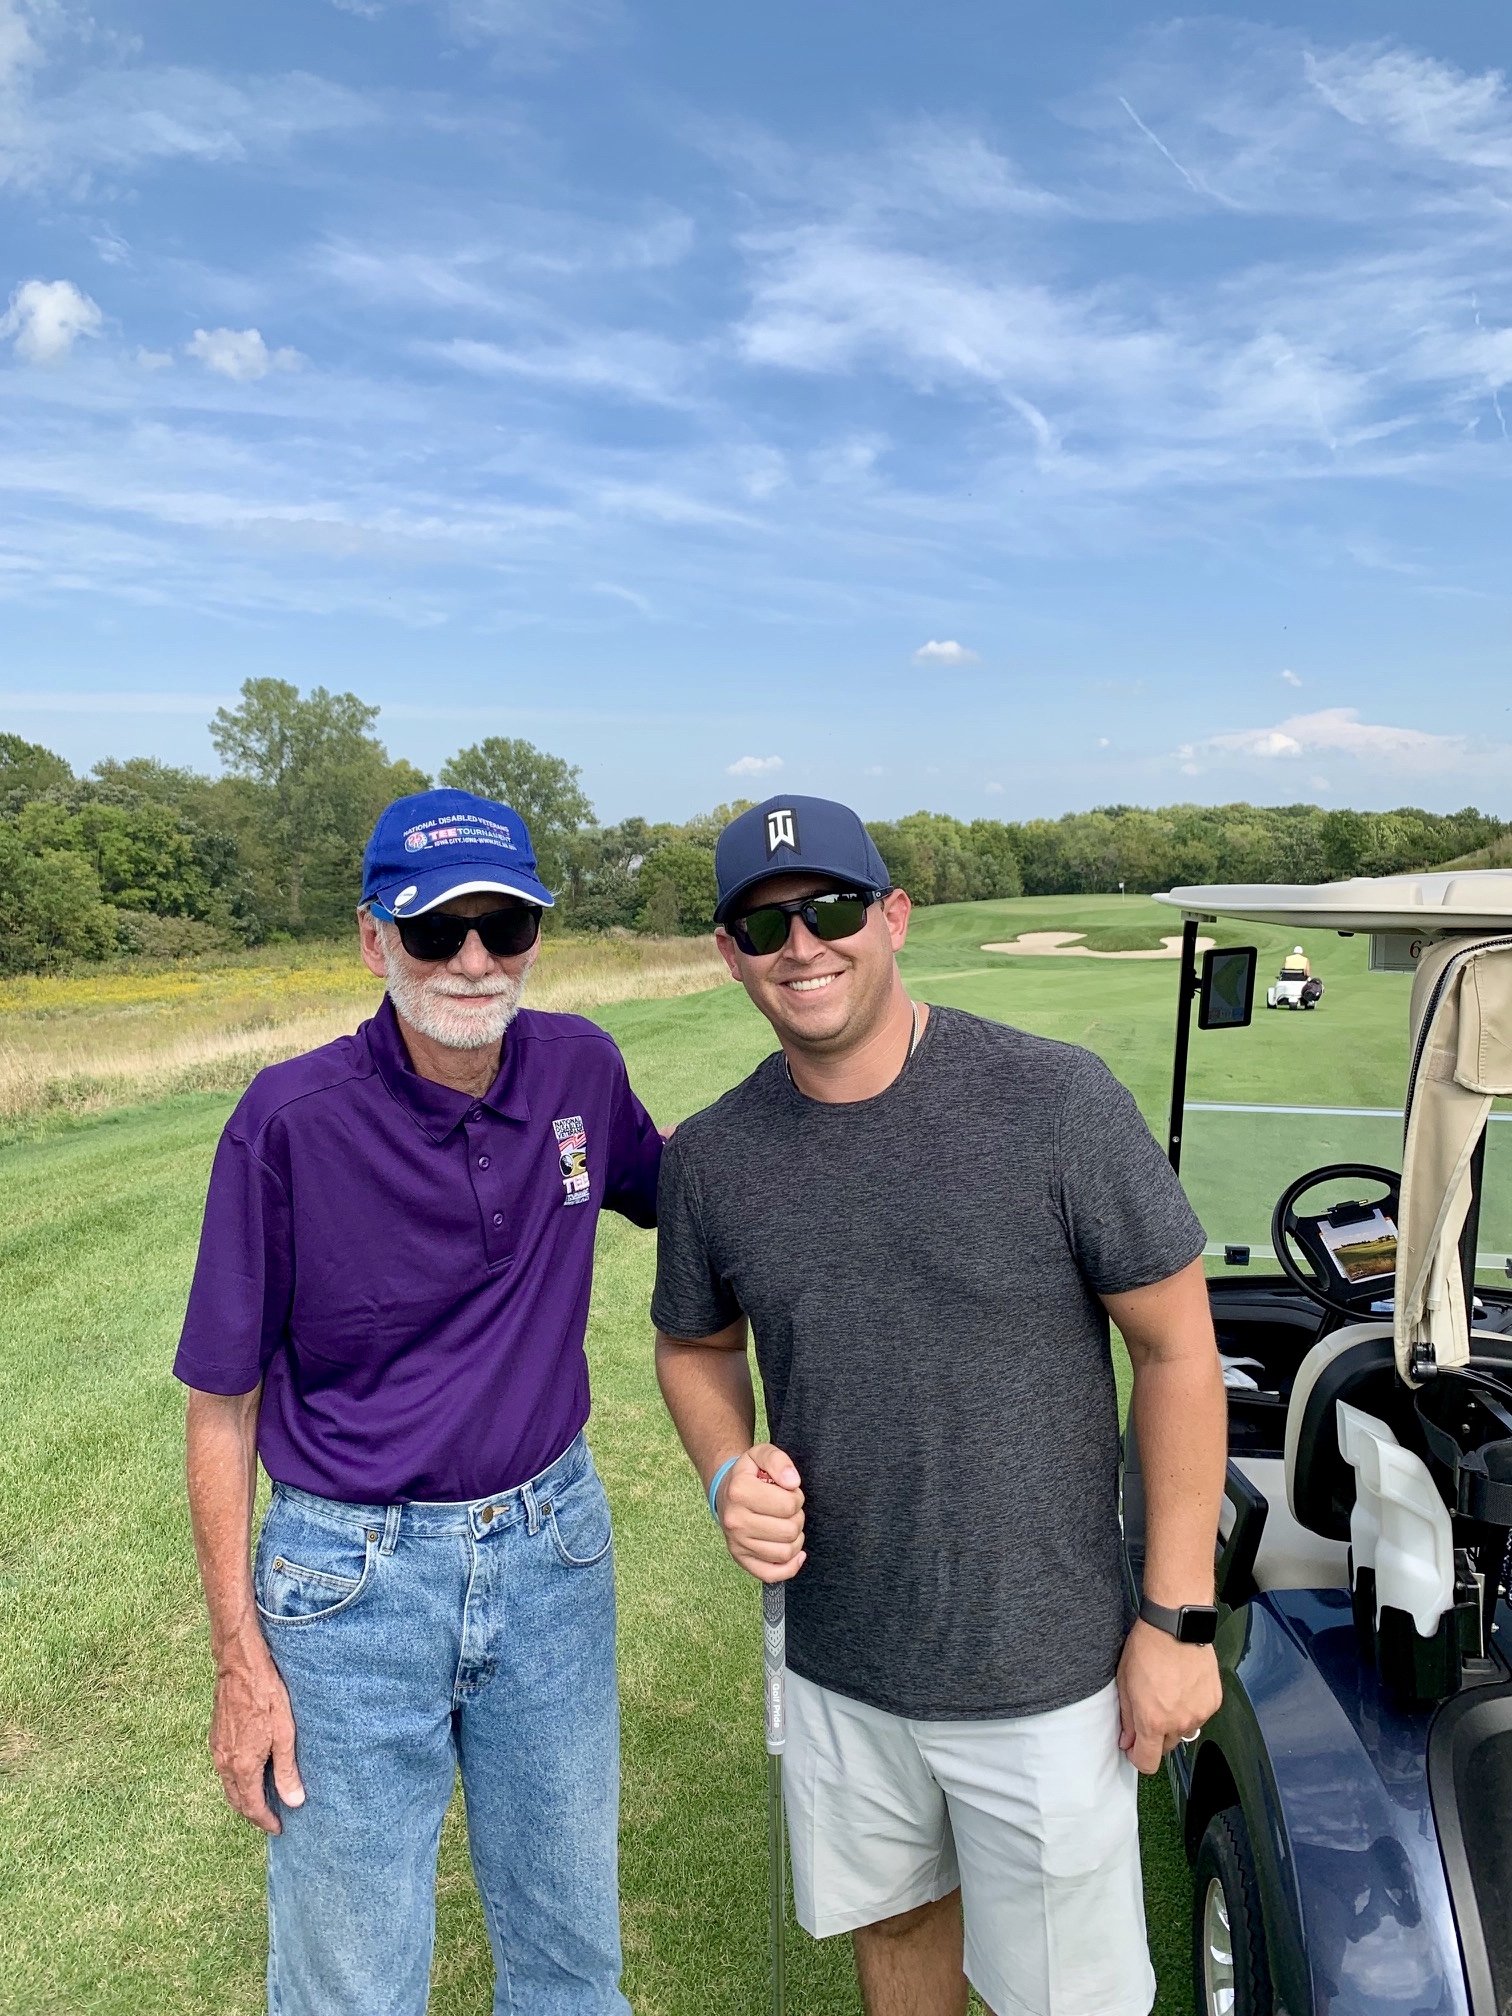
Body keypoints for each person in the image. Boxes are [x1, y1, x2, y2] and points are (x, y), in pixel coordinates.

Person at [652, 794, 1226, 2016]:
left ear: (894, 917)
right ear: (728, 955)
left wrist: (1176, 1621)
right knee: (899, 1922)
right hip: (840, 1660)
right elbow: (694, 1347)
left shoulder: (1055, 1103)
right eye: (764, 929)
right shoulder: (711, 1156)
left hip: (1045, 1668)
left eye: (834, 909)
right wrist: (722, 1470)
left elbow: (1179, 1351)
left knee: (1064, 1995)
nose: (802, 946)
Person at [175, 788, 661, 2016]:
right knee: (350, 1983)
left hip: (553, 1556)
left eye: (505, 925)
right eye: (437, 929)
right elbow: (221, 1407)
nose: (475, 960)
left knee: (570, 1964)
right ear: (372, 939)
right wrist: (242, 1664)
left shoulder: (580, 1070)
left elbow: (702, 1204)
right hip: (347, 1588)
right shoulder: (287, 1121)